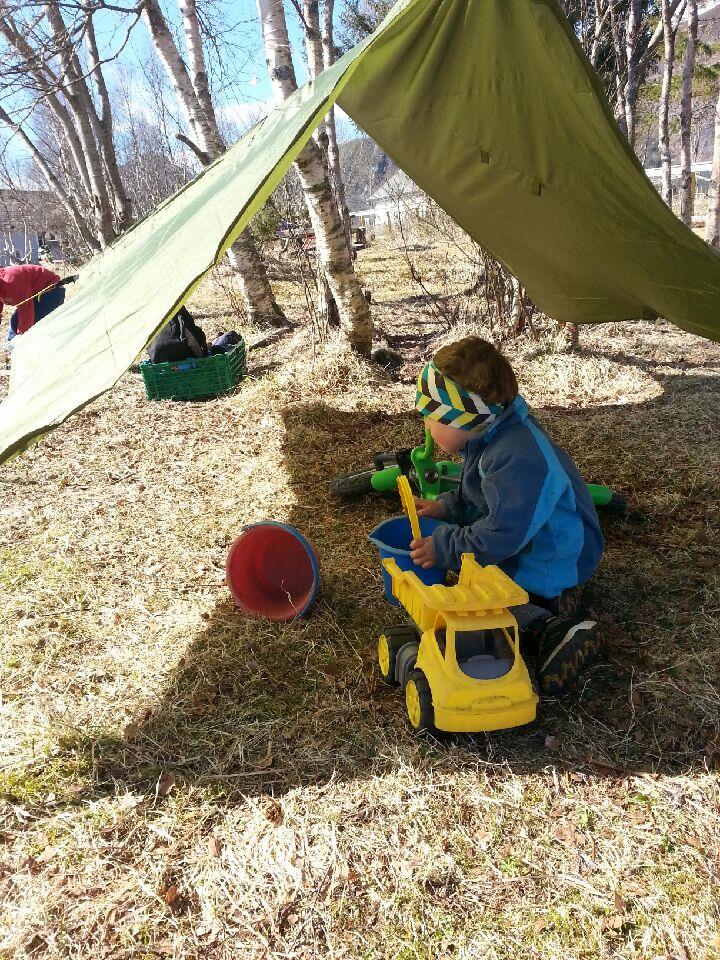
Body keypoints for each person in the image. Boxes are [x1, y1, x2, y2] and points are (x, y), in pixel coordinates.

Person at [409, 336, 605, 696]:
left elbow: (500, 535)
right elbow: (481, 497)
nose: (426, 422)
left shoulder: (517, 457)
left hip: (553, 559)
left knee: (496, 619)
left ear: (467, 418)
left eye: (433, 415)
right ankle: (558, 608)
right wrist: (447, 508)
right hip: (525, 542)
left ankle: (559, 627)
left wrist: (444, 547)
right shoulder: (490, 435)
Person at [0, 263, 77, 342]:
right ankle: (13, 349)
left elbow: (26, 311)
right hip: (36, 296)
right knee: (14, 323)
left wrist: (22, 338)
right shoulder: (2, 282)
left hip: (52, 293)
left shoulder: (11, 281)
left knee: (18, 325)